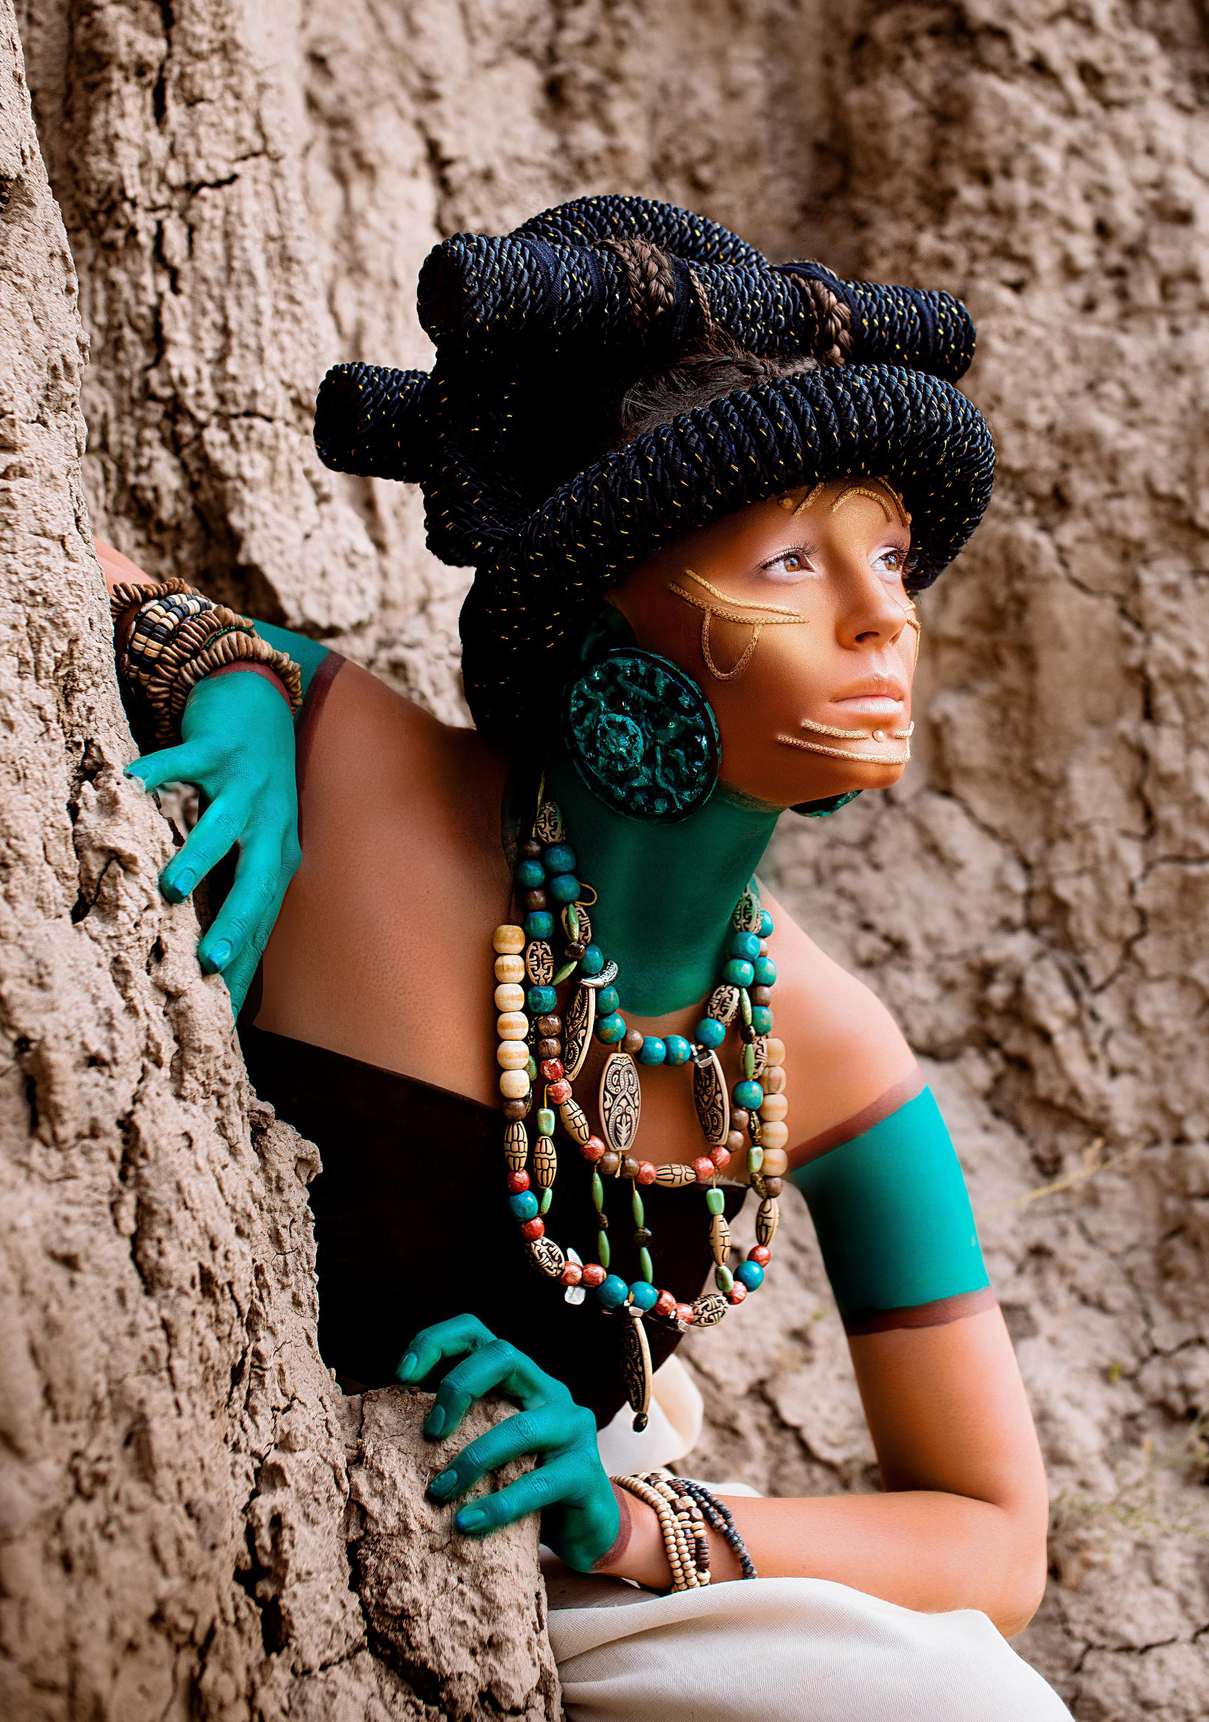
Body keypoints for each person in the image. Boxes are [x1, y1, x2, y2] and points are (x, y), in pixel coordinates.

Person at [99, 197, 1071, 1719]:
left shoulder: (833, 1049)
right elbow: (50, 546)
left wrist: (636, 1524)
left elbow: (997, 1541)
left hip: (557, 1582)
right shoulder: (359, 780)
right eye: (794, 564)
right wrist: (222, 674)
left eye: (891, 558)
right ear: (602, 620)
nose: (887, 617)